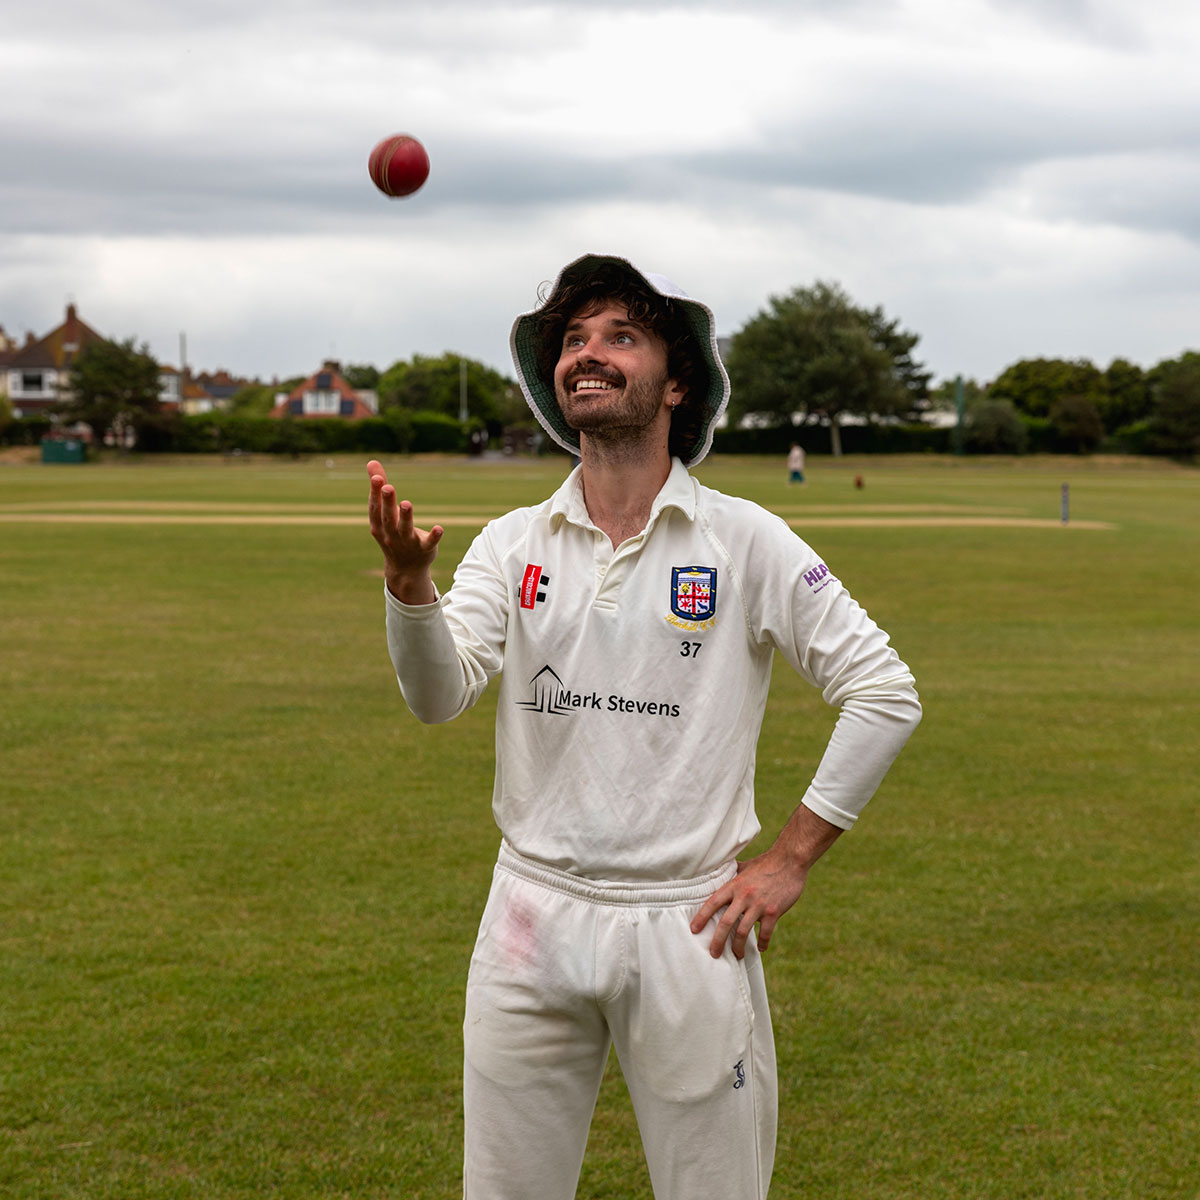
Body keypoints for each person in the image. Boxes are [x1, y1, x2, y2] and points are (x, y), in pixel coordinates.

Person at [367, 254, 921, 1200]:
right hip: (530, 914)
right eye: (573, 339)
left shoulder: (743, 539)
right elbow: (437, 695)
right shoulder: (512, 541)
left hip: (689, 922)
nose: (588, 353)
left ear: (676, 384)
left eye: (621, 336)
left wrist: (788, 860)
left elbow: (884, 690)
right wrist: (409, 586)